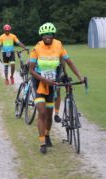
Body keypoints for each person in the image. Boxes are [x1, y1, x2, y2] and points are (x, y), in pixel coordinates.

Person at [29, 22, 84, 154]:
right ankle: (42, 142)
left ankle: (47, 135)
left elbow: (69, 62)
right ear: (42, 36)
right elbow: (31, 70)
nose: (48, 36)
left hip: (53, 84)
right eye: (45, 35)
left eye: (50, 34)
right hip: (39, 84)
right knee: (41, 112)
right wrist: (45, 79)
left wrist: (80, 77)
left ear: (53, 35)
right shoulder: (37, 48)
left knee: (49, 115)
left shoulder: (58, 45)